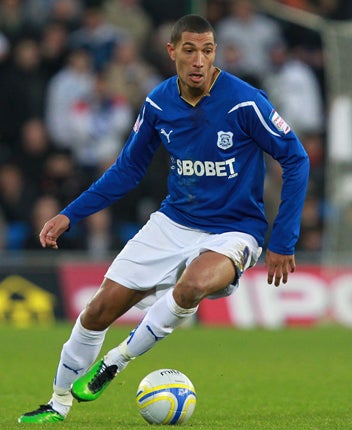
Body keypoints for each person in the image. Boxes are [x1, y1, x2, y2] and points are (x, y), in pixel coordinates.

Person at [18, 14, 310, 423]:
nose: (199, 61)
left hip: (234, 229)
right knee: (97, 312)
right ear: (172, 52)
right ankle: (57, 402)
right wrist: (70, 214)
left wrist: (283, 239)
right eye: (189, 50)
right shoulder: (158, 102)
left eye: (207, 51)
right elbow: (127, 170)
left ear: (215, 53)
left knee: (192, 285)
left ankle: (116, 361)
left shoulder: (245, 101)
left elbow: (295, 158)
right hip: (172, 222)